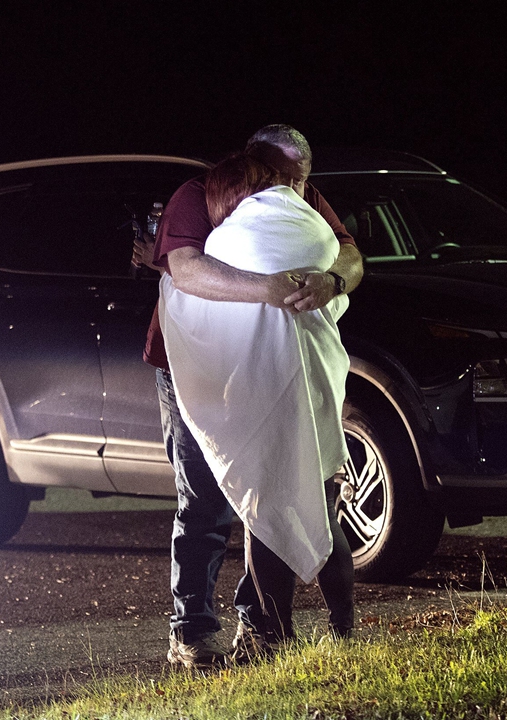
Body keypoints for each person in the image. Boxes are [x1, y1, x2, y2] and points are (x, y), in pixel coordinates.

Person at [137, 125, 362, 669]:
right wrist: (270, 286)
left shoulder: (302, 197)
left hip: (271, 366)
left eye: (304, 181)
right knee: (206, 501)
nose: (296, 191)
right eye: (286, 178)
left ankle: (261, 629)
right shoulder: (199, 197)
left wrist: (332, 282)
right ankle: (191, 633)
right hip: (201, 370)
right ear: (255, 163)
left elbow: (351, 256)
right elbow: (186, 270)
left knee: (270, 491)